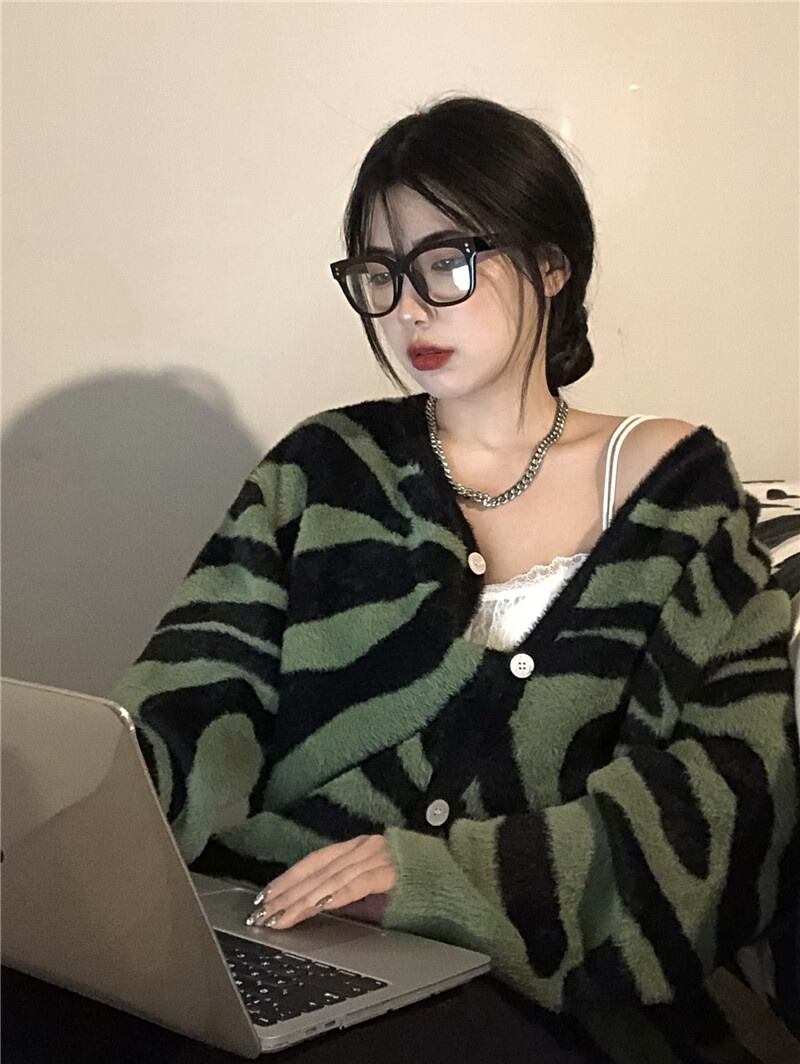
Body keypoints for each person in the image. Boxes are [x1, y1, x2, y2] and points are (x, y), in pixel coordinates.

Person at [111, 95, 799, 1062]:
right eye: (379, 273)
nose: (409, 308)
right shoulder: (322, 469)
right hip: (277, 922)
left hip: (547, 986)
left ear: (551, 265)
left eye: (447, 261)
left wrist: (435, 879)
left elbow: (728, 801)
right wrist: (83, 832)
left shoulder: (674, 491)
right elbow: (190, 698)